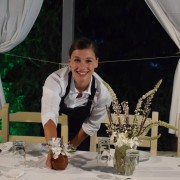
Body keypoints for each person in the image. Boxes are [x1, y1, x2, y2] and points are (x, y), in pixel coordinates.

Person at [41, 37, 112, 168]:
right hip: (53, 129)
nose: (82, 67)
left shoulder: (103, 92)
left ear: (96, 62)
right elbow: (50, 114)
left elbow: (91, 124)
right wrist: (54, 149)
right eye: (77, 60)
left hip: (81, 132)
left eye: (89, 61)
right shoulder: (55, 80)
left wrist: (70, 148)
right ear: (69, 61)